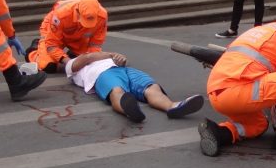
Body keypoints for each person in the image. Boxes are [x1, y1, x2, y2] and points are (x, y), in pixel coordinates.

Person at [199, 17, 276, 156]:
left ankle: (219, 133)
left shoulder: (263, 30)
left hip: (217, 93)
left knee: (258, 125)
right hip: (237, 90)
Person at [64, 50, 203, 123]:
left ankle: (172, 107)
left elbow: (123, 59)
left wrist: (120, 59)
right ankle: (128, 109)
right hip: (102, 75)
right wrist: (109, 54)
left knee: (151, 87)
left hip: (124, 70)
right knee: (116, 91)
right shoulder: (73, 64)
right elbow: (87, 58)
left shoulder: (103, 55)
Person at [27, 0, 109, 73]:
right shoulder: (61, 14)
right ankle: (34, 50)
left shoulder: (102, 16)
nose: (88, 24)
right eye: (85, 20)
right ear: (77, 11)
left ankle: (72, 54)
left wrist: (91, 59)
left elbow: (96, 44)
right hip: (53, 31)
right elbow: (52, 44)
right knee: (48, 66)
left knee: (87, 62)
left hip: (79, 34)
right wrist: (69, 63)